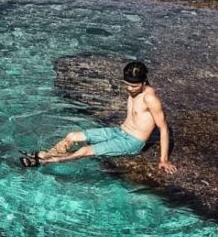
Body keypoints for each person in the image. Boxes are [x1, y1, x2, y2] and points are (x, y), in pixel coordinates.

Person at [21, 60, 177, 173]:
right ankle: (46, 154)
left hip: (132, 142)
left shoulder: (150, 98)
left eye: (134, 86)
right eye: (127, 84)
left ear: (144, 82)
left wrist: (164, 160)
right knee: (72, 136)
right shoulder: (134, 89)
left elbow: (163, 128)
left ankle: (44, 161)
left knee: (85, 150)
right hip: (119, 132)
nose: (130, 89)